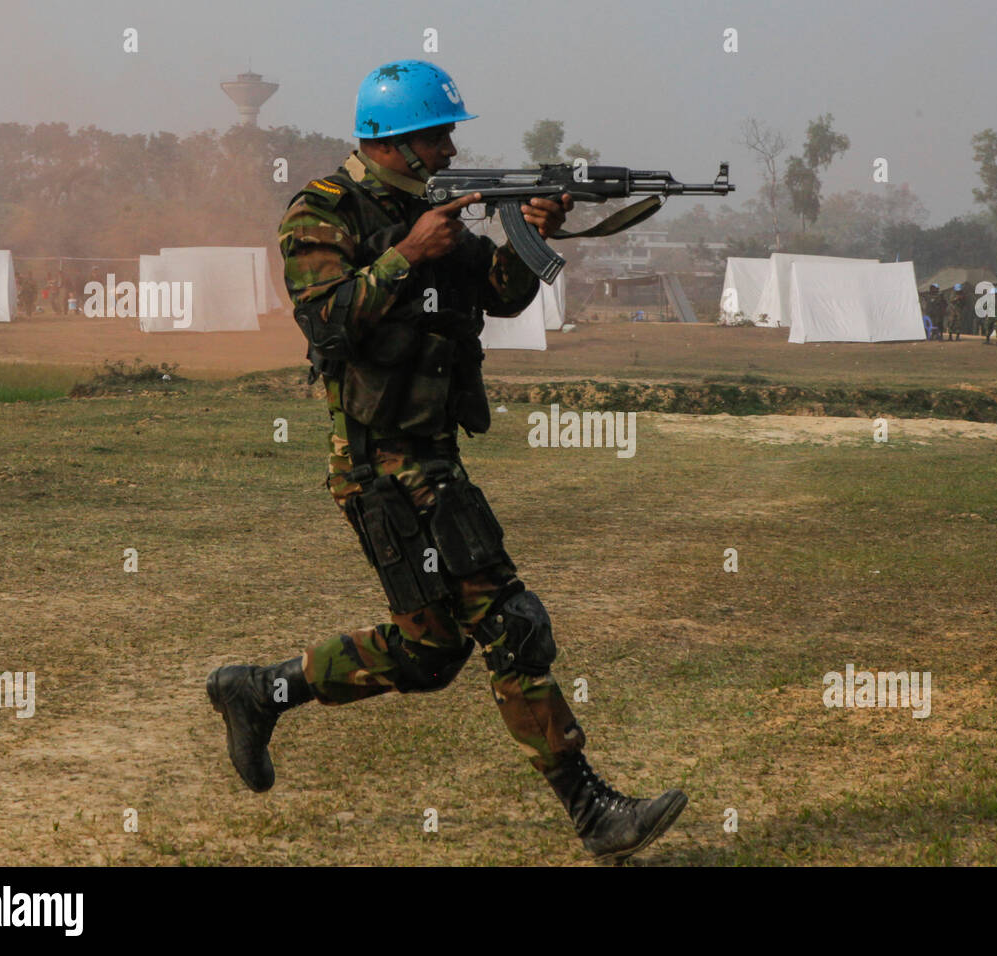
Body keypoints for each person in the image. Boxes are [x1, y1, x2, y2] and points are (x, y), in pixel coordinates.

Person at [206, 59, 686, 865]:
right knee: (509, 618)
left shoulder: (444, 213)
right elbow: (325, 323)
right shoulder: (323, 212)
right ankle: (592, 809)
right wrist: (406, 255)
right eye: (436, 134)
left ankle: (261, 690)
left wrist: (535, 233)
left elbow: (494, 295)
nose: (450, 145)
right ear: (391, 142)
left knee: (429, 656)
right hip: (377, 465)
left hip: (432, 453)